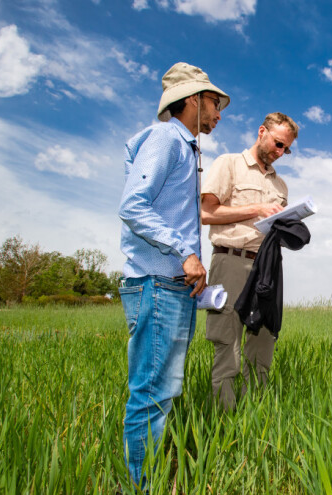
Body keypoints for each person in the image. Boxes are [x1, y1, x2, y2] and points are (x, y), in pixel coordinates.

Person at [117, 62, 229, 487]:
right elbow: (132, 205)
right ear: (193, 100)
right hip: (157, 284)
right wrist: (185, 253)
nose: (218, 114)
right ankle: (139, 485)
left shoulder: (187, 148)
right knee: (151, 394)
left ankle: (144, 478)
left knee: (162, 391)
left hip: (171, 286)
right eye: (215, 103)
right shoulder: (166, 138)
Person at [200, 112, 299, 411]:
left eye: (286, 149)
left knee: (264, 339)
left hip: (268, 266)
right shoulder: (229, 163)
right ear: (262, 132)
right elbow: (206, 213)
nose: (280, 152)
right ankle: (224, 417)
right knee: (227, 342)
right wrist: (257, 209)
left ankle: (253, 417)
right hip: (232, 260)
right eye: (278, 144)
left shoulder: (281, 186)